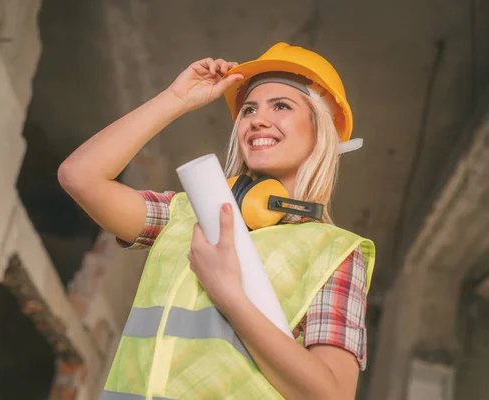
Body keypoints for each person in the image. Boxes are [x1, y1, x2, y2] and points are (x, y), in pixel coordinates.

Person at [58, 42, 375, 400]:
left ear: (321, 134)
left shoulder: (333, 253)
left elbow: (332, 396)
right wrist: (175, 99)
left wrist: (229, 294)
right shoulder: (183, 215)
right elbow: (79, 176)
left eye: (282, 106)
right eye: (249, 109)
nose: (257, 119)